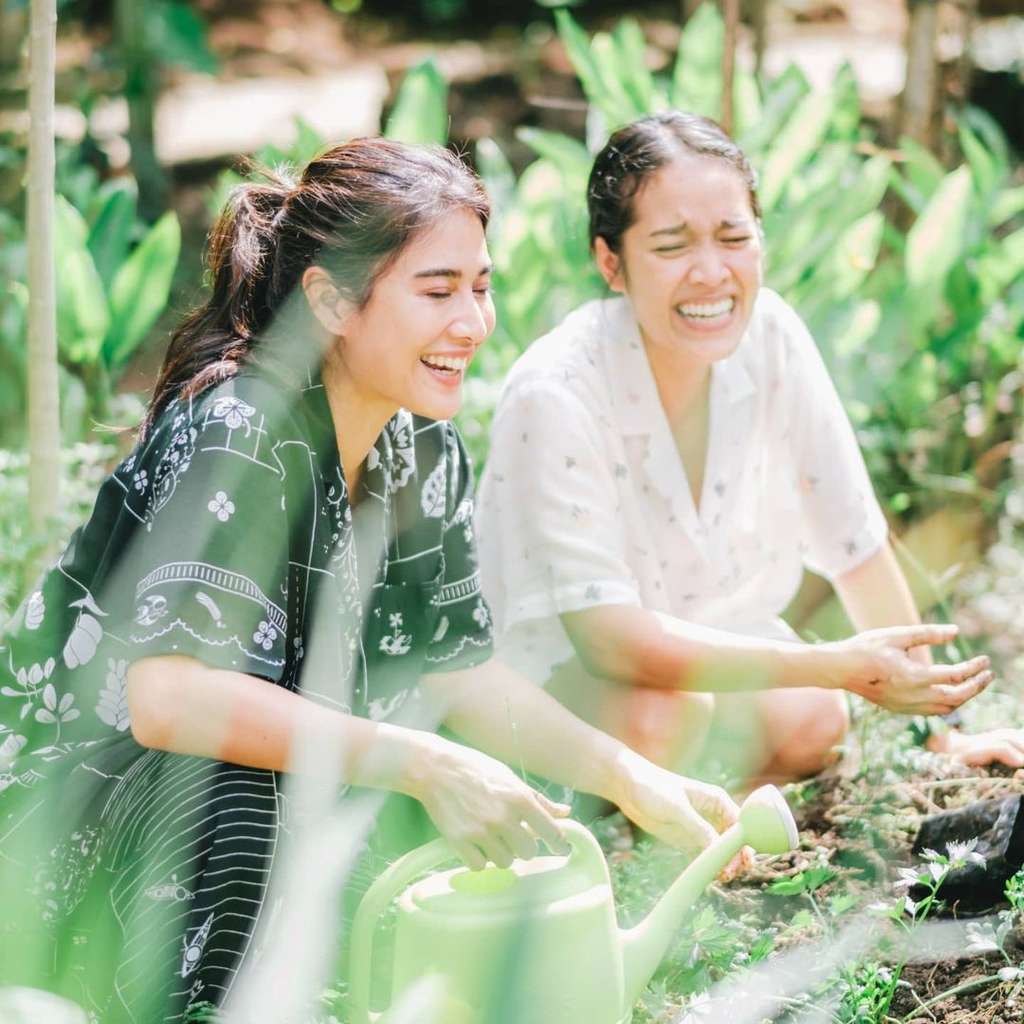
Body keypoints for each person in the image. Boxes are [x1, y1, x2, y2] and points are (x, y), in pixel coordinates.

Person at [0, 138, 741, 1024]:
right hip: (62, 830)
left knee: (461, 820)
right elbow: (168, 701)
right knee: (258, 782)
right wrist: (427, 766)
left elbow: (455, 672)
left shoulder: (420, 447)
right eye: (437, 291)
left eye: (480, 285)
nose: (473, 321)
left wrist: (630, 779)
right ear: (332, 300)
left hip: (238, 816)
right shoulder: (238, 429)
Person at [476, 111, 1014, 790]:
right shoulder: (554, 392)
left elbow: (853, 539)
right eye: (672, 247)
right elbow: (609, 641)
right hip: (550, 681)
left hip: (699, 655)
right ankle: (640, 815)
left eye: (734, 237)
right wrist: (837, 665)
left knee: (814, 720)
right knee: (664, 722)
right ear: (611, 262)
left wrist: (939, 731)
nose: (711, 274)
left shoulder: (772, 336)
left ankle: (703, 807)